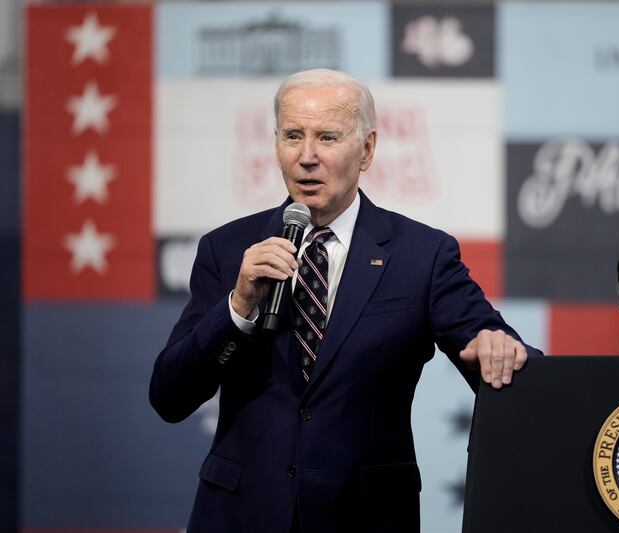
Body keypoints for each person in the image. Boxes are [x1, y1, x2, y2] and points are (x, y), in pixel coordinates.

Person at [150, 68, 542, 533]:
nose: (307, 157)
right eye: (293, 136)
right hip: (241, 515)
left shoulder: (421, 255)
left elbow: (509, 360)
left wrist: (497, 351)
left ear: (367, 149)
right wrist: (238, 305)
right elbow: (170, 396)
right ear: (276, 144)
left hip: (366, 517)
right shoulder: (227, 249)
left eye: (328, 137)